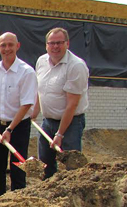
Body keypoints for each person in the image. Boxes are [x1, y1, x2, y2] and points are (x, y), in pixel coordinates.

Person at [0, 32, 37, 196]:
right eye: (3, 45)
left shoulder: (27, 72)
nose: (7, 48)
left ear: (18, 46)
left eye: (10, 44)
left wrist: (10, 129)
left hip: (18, 127)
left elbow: (26, 104)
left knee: (18, 167)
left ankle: (17, 202)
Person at [33, 27, 89, 179]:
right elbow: (41, 91)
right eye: (52, 43)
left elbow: (72, 104)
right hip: (47, 122)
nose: (55, 47)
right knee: (45, 165)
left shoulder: (76, 66)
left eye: (59, 43)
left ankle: (74, 197)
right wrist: (34, 112)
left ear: (67, 44)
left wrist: (60, 133)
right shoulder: (41, 61)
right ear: (46, 45)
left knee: (72, 166)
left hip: (71, 124)